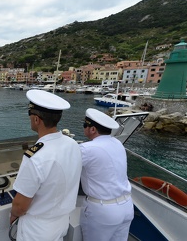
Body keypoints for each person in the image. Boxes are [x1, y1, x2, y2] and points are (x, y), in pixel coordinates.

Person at [10, 90, 82, 241]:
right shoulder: (72, 144)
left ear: (36, 119)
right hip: (61, 222)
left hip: (37, 230)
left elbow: (20, 206)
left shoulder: (35, 157)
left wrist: (13, 216)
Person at [79, 108, 134, 241]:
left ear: (93, 130)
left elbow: (65, 168)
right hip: (126, 206)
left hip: (103, 212)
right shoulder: (117, 143)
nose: (84, 128)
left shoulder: (87, 149)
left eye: (85, 125)